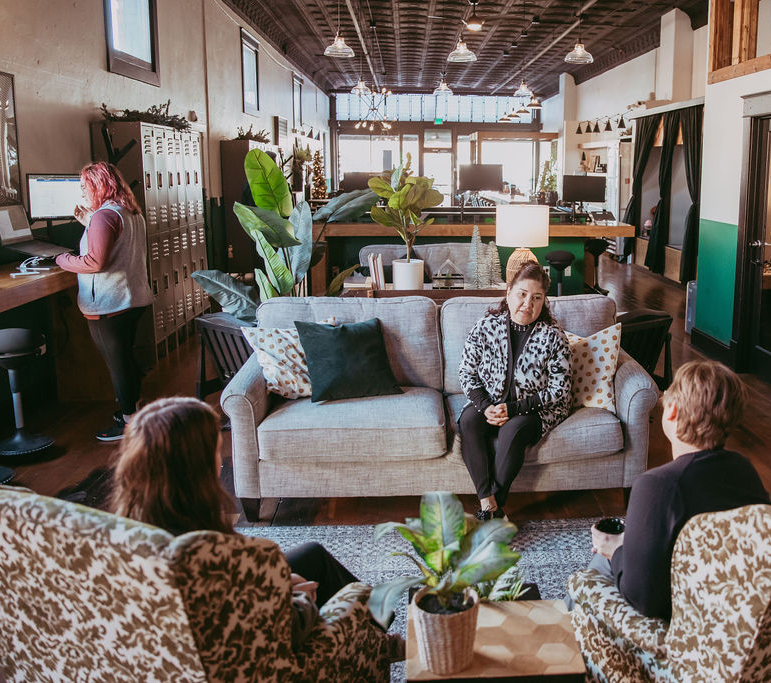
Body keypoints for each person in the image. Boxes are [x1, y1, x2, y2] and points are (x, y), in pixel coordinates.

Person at [108, 396, 393, 653]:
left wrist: (280, 581)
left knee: (313, 555)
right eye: (216, 451)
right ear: (196, 470)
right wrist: (295, 596)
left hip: (175, 648)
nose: (221, 459)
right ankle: (376, 643)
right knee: (344, 591)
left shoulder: (117, 539)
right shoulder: (238, 556)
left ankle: (378, 633)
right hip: (260, 649)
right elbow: (286, 629)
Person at [575, 360, 771, 620]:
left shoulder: (658, 486)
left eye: (667, 394)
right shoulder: (744, 470)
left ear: (672, 411)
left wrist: (615, 551)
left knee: (596, 567)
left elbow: (642, 599)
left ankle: (570, 644)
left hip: (680, 627)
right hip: (731, 612)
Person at [458, 262, 571, 521]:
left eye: (536, 297)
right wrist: (486, 405)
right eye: (522, 294)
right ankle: (489, 504)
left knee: (512, 429)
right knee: (468, 421)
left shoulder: (553, 336)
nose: (527, 304)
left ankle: (491, 511)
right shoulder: (486, 326)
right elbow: (466, 372)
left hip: (535, 409)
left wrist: (513, 408)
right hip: (491, 402)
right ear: (508, 293)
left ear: (544, 301)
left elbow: (560, 390)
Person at [56, 162, 152, 441]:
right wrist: (90, 223)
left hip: (110, 303)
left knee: (117, 363)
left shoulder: (104, 217)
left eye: (84, 186)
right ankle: (133, 409)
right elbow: (116, 244)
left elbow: (94, 261)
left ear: (99, 186)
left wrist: (61, 259)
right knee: (125, 357)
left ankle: (127, 423)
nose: (82, 192)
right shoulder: (128, 211)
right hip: (133, 298)